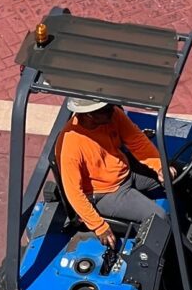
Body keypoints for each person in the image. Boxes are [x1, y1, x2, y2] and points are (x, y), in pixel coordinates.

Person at [55, 98, 173, 249]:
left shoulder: (113, 114)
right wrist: (99, 226)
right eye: (105, 108)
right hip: (105, 194)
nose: (113, 109)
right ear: (89, 114)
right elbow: (74, 193)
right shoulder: (71, 146)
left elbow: (137, 140)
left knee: (182, 175)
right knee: (159, 219)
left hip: (126, 171)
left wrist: (160, 166)